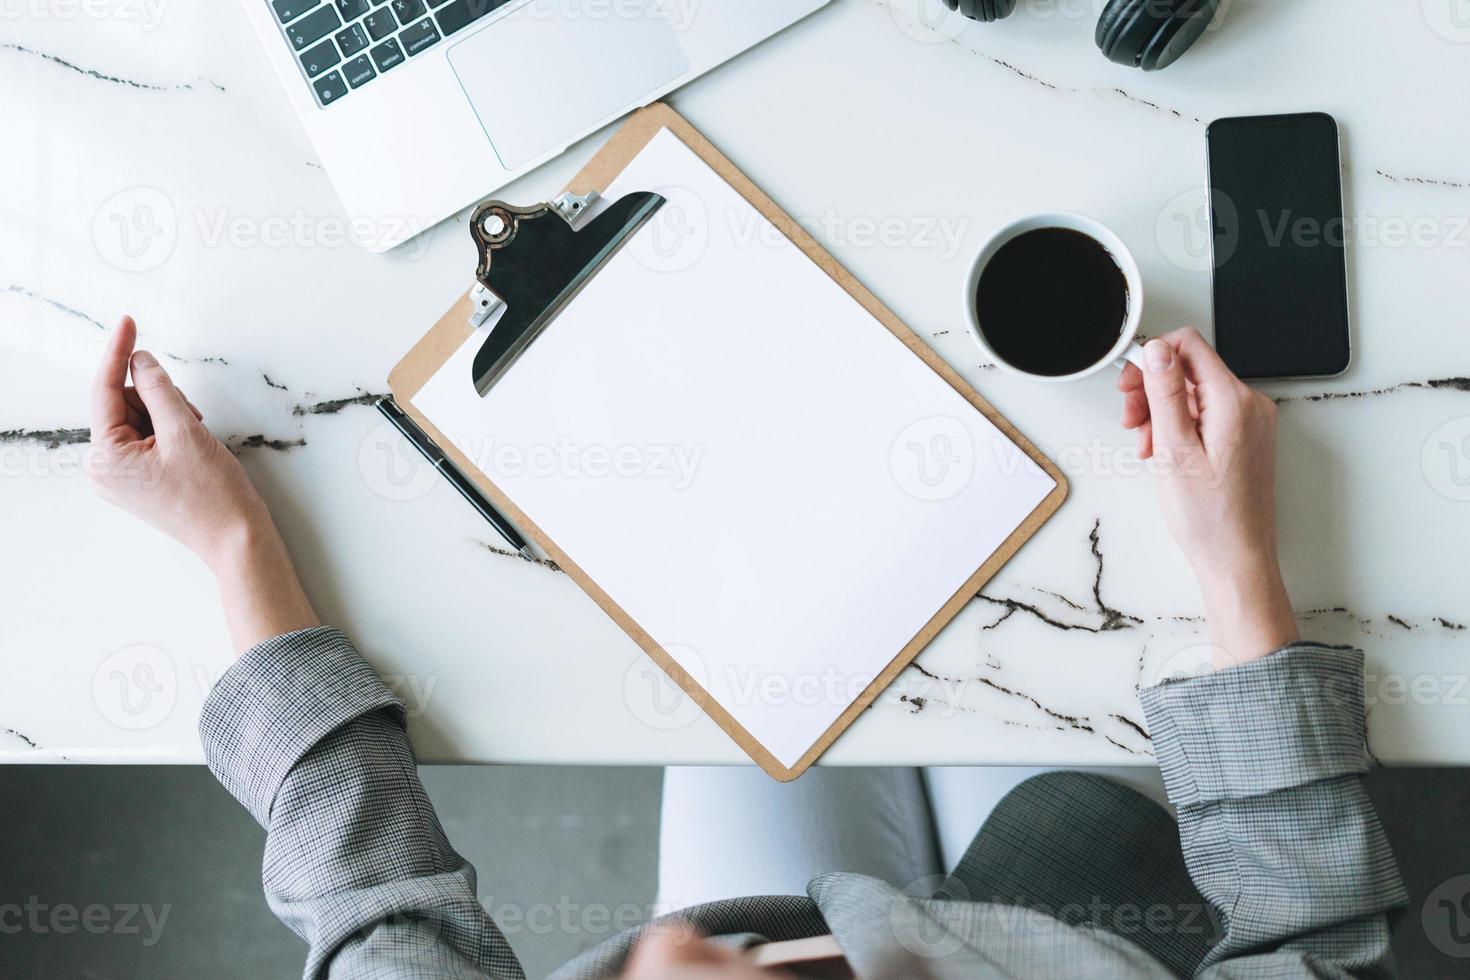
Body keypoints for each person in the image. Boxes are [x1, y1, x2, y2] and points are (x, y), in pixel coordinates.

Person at [89, 315, 1406, 978]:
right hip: (1047, 933)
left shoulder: (690, 945)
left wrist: (230, 547)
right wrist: (1235, 558)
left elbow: (366, 897)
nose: (659, 949)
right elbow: (1314, 931)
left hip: (862, 906)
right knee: (1057, 791)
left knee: (761, 721)